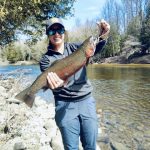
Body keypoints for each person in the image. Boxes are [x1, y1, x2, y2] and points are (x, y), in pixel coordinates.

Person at [40, 17, 110, 150]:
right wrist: (58, 85)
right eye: (51, 31)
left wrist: (103, 35)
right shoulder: (45, 59)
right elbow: (51, 84)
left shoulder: (75, 47)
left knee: (91, 146)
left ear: (64, 32)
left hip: (86, 102)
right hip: (64, 105)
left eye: (59, 30)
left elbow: (96, 47)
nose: (56, 34)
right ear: (47, 34)